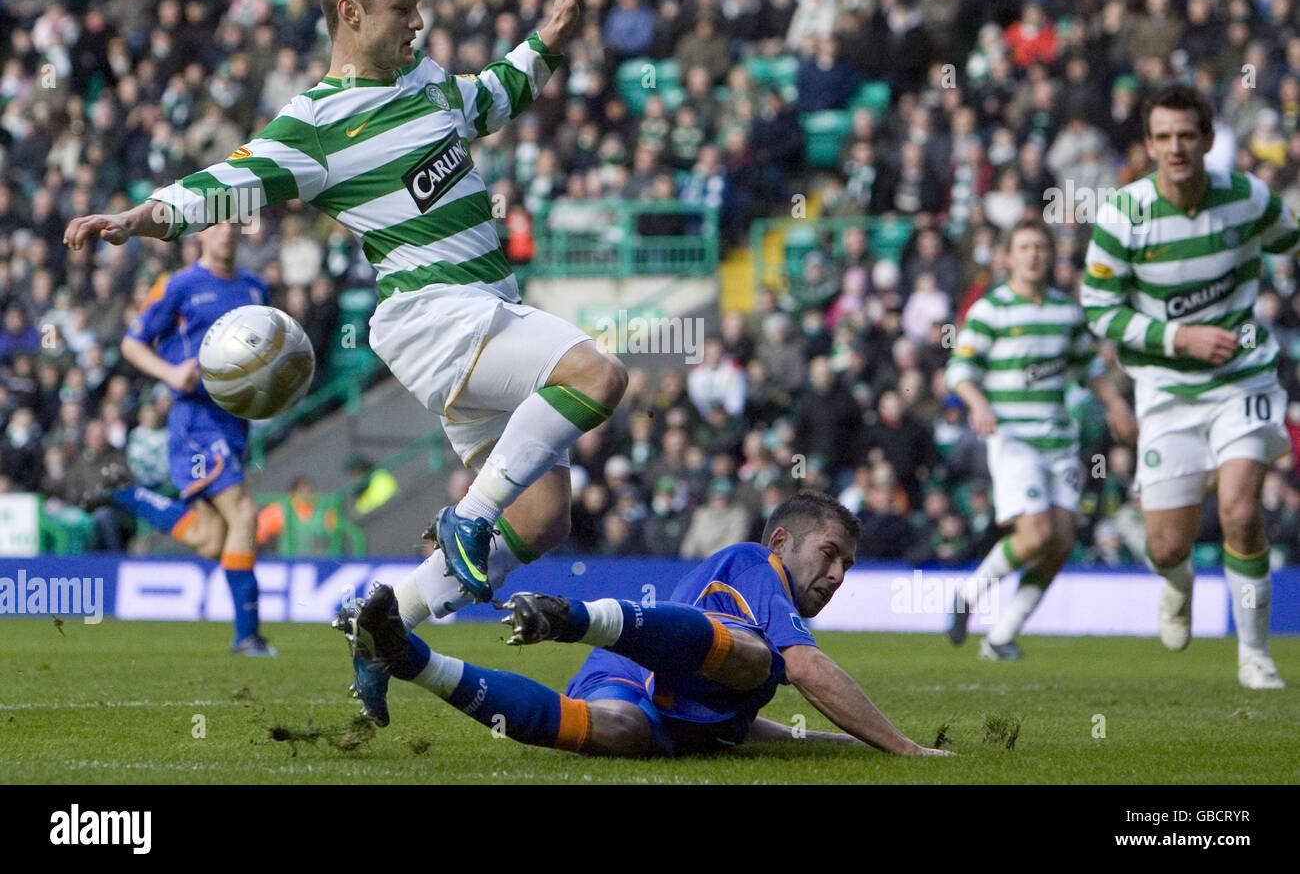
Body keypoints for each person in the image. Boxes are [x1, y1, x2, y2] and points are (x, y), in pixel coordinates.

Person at [64, 0, 626, 716]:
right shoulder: (317, 124)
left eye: (421, 6)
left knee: (544, 516)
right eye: (404, 8)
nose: (420, 22)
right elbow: (228, 183)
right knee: (599, 374)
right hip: (434, 315)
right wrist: (141, 217)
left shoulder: (427, 83)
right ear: (351, 15)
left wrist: (550, 39)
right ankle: (467, 516)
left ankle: (379, 621)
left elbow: (491, 97)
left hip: (491, 308)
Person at [336, 491, 950, 756]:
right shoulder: (755, 563)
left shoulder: (764, 602)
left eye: (847, 563)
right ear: (783, 540)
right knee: (764, 659)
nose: (839, 574)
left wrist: (826, 743)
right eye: (829, 553)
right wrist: (906, 750)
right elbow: (806, 667)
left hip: (632, 683)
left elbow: (730, 726)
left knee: (626, 731)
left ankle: (410, 658)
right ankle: (571, 615)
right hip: (636, 658)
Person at [1080, 83, 1293, 689]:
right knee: (1168, 544)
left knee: (1240, 508)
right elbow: (1099, 309)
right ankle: (1176, 587)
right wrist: (1180, 337)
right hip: (1167, 390)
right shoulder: (1125, 213)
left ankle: (1255, 655)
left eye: (1187, 136)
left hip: (1242, 379)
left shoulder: (1248, 197)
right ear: (1149, 144)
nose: (1176, 148)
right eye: (1164, 137)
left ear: (1207, 139)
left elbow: (1293, 238)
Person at [945, 217, 1136, 659]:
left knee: (1062, 542)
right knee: (1035, 535)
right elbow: (959, 369)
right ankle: (968, 594)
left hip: (1059, 443)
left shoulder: (1066, 312)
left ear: (1050, 257)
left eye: (1040, 248)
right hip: (1013, 439)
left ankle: (1001, 636)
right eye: (1024, 248)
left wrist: (1117, 406)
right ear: (1008, 258)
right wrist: (977, 403)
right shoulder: (991, 310)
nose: (1033, 255)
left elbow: (1089, 370)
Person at [95, 221, 276, 655]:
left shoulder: (255, 289)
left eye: (234, 225)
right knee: (245, 514)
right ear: (199, 235)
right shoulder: (179, 285)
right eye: (216, 226)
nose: (226, 234)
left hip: (234, 421)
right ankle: (247, 635)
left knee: (211, 539)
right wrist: (171, 372)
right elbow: (133, 344)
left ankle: (128, 496)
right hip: (195, 421)